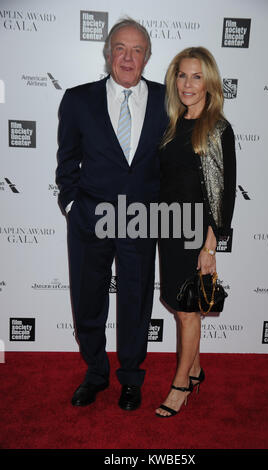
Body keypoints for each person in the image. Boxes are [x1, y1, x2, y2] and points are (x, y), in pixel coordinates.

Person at [56, 18, 168, 411]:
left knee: (136, 303)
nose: (128, 56)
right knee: (88, 300)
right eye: (120, 47)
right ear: (107, 53)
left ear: (148, 57)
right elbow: (67, 161)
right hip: (90, 217)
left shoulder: (166, 99)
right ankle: (96, 373)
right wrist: (72, 206)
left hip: (142, 219)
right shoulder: (77, 99)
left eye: (137, 50)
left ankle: (132, 379)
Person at [156, 47, 236, 417]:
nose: (187, 84)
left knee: (189, 313)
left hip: (195, 235)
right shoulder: (174, 121)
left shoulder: (217, 128)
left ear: (210, 82)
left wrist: (209, 247)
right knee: (182, 307)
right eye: (182, 75)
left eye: (196, 76)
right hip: (169, 229)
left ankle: (181, 385)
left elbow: (223, 193)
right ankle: (198, 368)